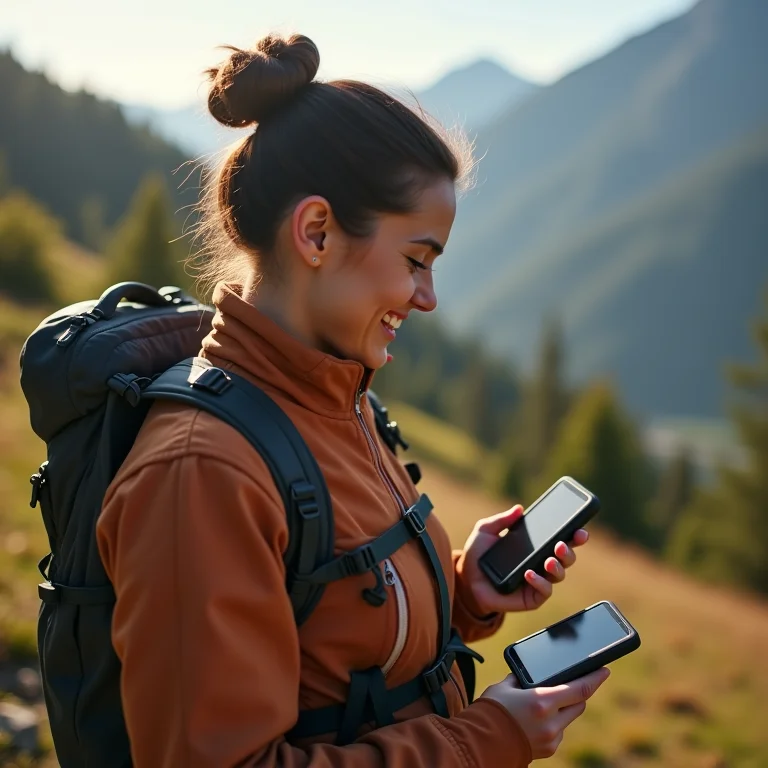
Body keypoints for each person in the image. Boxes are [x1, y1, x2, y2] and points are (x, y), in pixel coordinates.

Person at [96, 32, 610, 768]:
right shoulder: (199, 473)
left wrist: (463, 593)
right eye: (415, 261)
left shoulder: (336, 401)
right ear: (316, 232)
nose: (428, 298)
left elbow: (330, 643)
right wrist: (486, 741)